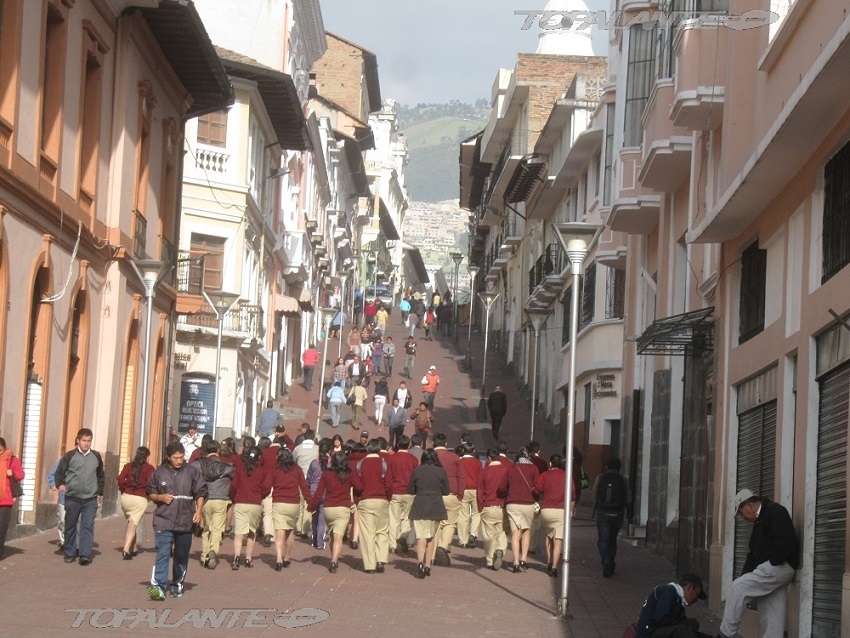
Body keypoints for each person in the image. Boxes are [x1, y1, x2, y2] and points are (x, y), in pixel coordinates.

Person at [716, 489, 799, 638]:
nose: (743, 518)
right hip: (776, 569)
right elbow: (752, 556)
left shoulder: (775, 511)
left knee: (738, 587)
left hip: (779, 567)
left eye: (741, 513)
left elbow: (786, 541)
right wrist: (746, 575)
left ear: (748, 505)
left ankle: (725, 634)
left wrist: (773, 562)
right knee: (773, 618)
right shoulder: (759, 524)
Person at [146, 441, 207, 600]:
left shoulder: (192, 472)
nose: (179, 461)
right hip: (164, 520)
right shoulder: (159, 473)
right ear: (168, 457)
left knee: (181, 556)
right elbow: (150, 492)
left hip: (185, 521)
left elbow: (201, 492)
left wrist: (199, 510)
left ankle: (176, 584)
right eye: (175, 458)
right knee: (163, 554)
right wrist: (159, 497)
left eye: (181, 457)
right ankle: (157, 589)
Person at [55, 428, 104, 565]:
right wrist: (60, 485)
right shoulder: (70, 456)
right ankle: (70, 552)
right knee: (70, 525)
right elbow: (59, 473)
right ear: (78, 440)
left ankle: (85, 554)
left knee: (87, 526)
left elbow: (100, 476)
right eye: (84, 441)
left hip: (90, 499)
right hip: (73, 497)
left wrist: (99, 493)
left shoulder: (96, 456)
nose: (86, 444)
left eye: (89, 441)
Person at [308, 451, 356, 573]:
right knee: (338, 535)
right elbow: (359, 487)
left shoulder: (327, 474)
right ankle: (334, 559)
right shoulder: (349, 474)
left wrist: (311, 506)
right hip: (343, 508)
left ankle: (334, 558)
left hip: (329, 508)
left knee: (333, 536)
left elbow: (319, 493)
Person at [350, 439, 393, 573]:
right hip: (381, 499)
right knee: (382, 531)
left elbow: (357, 485)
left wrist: (358, 497)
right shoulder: (384, 463)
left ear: (368, 449)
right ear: (379, 449)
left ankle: (370, 565)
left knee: (368, 533)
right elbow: (389, 484)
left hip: (366, 500)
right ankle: (381, 559)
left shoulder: (360, 464)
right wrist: (388, 498)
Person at [264, 448, 310, 571]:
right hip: (293, 503)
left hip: (279, 503)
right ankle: (287, 557)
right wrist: (310, 502)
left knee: (279, 533)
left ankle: (278, 558)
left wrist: (259, 496)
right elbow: (304, 488)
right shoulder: (297, 470)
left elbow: (267, 487)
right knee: (290, 532)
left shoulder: (275, 470)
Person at [408, 448, 450, 579]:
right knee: (431, 537)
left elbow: (410, 489)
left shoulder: (417, 471)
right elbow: (446, 491)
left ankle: (420, 562)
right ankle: (427, 565)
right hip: (435, 506)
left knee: (421, 536)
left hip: (420, 505)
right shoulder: (441, 471)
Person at [192, 439, 234, 569]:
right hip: (221, 499)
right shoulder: (227, 467)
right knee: (217, 529)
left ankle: (204, 556)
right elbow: (234, 476)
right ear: (218, 451)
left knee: (206, 529)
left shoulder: (197, 465)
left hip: (204, 500)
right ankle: (214, 550)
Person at [229, 446, 269, 569]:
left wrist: (234, 497)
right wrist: (261, 495)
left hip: (241, 501)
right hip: (255, 503)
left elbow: (234, 485)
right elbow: (266, 487)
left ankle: (236, 557)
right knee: (252, 532)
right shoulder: (262, 471)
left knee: (239, 533)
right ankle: (248, 558)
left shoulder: (240, 469)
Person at [501, 446, 540, 573]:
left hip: (512, 503)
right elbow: (538, 487)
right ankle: (524, 559)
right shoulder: (534, 468)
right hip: (528, 503)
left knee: (515, 533)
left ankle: (515, 562)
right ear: (528, 456)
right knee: (526, 531)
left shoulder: (511, 469)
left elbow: (502, 487)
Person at [635, 573, 710, 638]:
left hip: (658, 630)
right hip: (648, 633)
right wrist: (679, 626)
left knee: (692, 623)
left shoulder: (679, 599)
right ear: (689, 588)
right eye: (696, 595)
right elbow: (660, 619)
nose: (695, 600)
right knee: (682, 630)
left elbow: (685, 626)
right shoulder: (669, 591)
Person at [592, 457, 630, 577]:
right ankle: (610, 562)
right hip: (617, 513)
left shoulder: (600, 478)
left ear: (607, 467)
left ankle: (606, 561)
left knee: (603, 539)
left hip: (603, 513)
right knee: (612, 540)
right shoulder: (623, 480)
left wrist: (599, 505)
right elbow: (629, 498)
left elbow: (594, 493)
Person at [431, 433, 464, 567]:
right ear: (446, 444)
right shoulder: (455, 458)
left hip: (434, 494)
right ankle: (443, 546)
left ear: (433, 443)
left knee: (435, 525)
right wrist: (460, 495)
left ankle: (432, 554)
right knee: (450, 523)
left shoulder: (430, 457)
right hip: (452, 494)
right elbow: (461, 478)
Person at [117, 446, 155, 559]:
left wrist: (123, 489)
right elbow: (151, 483)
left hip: (126, 497)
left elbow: (119, 479)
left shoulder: (128, 466)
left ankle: (133, 548)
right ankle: (126, 550)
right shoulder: (149, 469)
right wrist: (149, 495)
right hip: (140, 499)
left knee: (131, 523)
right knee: (132, 525)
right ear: (147, 457)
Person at [535, 454, 569, 577]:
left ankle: (549, 560)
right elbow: (573, 494)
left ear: (550, 464)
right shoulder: (566, 476)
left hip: (546, 509)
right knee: (558, 539)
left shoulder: (545, 475)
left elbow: (537, 489)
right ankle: (555, 566)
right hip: (560, 510)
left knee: (549, 536)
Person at [477, 448, 509, 570]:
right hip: (502, 506)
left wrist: (480, 507)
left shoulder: (484, 472)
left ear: (489, 458)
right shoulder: (506, 471)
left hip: (488, 506)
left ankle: (490, 560)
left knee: (488, 535)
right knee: (501, 532)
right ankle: (500, 549)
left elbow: (480, 491)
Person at [387, 434, 418, 555]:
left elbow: (388, 477)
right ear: (408, 445)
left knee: (393, 519)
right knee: (407, 519)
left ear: (398, 444)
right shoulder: (413, 460)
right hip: (409, 492)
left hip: (395, 492)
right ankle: (402, 537)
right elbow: (416, 477)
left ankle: (392, 544)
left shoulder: (391, 459)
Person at [306, 438, 333, 551]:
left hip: (313, 491)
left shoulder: (313, 463)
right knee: (322, 519)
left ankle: (314, 538)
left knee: (314, 517)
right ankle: (320, 542)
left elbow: (308, 479)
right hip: (326, 492)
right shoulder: (331, 463)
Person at [0, 437, 24, 559]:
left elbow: (21, 474)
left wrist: (12, 473)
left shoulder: (12, 460)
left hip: (5, 500)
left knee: (1, 527)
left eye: (1, 450)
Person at [292, 430, 319, 539]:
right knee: (309, 504)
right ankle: (304, 529)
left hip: (299, 478)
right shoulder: (317, 449)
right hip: (312, 481)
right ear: (313, 438)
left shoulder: (297, 449)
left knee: (299, 504)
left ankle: (298, 528)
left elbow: (294, 461)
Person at [457, 442, 482, 549]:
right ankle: (473, 534)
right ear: (473, 450)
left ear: (463, 450)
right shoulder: (478, 463)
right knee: (476, 513)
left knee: (463, 515)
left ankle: (463, 540)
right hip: (475, 489)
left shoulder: (459, 462)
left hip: (463, 490)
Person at [47, 458, 66, 550]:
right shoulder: (65, 459)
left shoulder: (89, 458)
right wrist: (53, 484)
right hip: (64, 497)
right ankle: (63, 541)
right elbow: (52, 475)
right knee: (63, 520)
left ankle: (75, 543)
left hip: (80, 498)